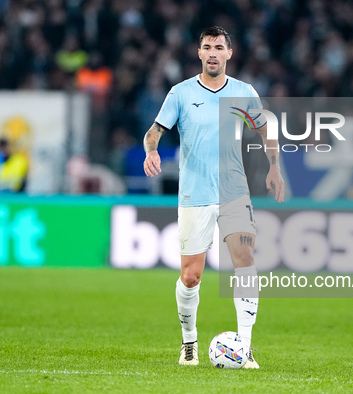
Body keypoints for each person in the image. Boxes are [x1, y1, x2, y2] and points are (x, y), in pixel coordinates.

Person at [143, 26, 285, 368]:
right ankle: (189, 343)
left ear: (228, 54)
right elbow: (154, 131)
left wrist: (274, 167)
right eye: (206, 47)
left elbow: (266, 129)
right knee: (191, 275)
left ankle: (246, 347)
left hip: (234, 192)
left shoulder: (243, 92)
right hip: (195, 193)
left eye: (218, 47)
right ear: (199, 53)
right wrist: (151, 151)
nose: (212, 53)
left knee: (246, 261)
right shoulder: (180, 93)